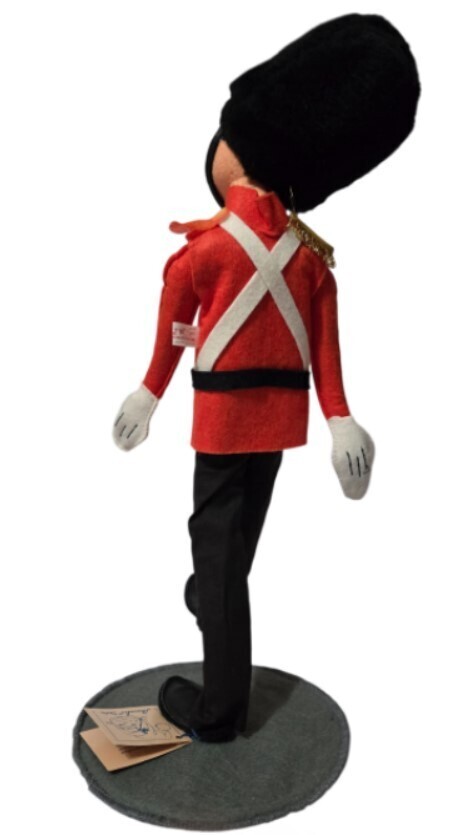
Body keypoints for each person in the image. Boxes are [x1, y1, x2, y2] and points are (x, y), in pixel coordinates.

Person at [112, 14, 420, 742]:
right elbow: (326, 352)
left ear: (237, 150)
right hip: (281, 425)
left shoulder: (203, 251)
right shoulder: (311, 261)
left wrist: (148, 395)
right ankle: (211, 595)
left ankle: (219, 710)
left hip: (222, 423)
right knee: (237, 537)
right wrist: (340, 420)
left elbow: (173, 330)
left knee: (216, 543)